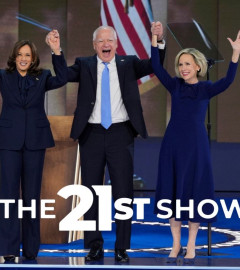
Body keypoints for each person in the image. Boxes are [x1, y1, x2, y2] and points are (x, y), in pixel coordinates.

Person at [67, 24, 166, 262]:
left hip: (121, 134)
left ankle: (122, 246)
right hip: (91, 134)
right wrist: (56, 51)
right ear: (94, 46)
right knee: (92, 193)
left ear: (116, 43)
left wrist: (158, 40)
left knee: (123, 193)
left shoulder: (129, 63)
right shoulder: (85, 64)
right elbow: (63, 74)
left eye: (109, 40)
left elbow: (154, 64)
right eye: (100, 41)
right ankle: (94, 245)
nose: (105, 45)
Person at [0, 30, 67, 261]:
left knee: (32, 196)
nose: (23, 58)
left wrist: (57, 50)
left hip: (35, 142)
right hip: (9, 142)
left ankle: (31, 249)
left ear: (33, 59)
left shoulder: (43, 76)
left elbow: (63, 79)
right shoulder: (4, 76)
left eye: (28, 55)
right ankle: (9, 249)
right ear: (14, 57)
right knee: (9, 195)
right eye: (20, 54)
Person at [151, 27, 240, 261]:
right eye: (180, 64)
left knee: (195, 194)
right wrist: (154, 40)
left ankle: (191, 245)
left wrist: (235, 54)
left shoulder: (205, 89)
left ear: (197, 66)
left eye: (187, 64)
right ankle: (175, 245)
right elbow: (156, 67)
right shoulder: (175, 86)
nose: (183, 68)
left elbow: (227, 81)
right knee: (173, 195)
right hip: (173, 146)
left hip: (196, 148)